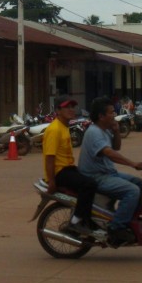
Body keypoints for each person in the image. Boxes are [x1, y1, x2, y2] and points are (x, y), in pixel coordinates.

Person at [79, 96, 142, 245]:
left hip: (108, 173)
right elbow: (109, 153)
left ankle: (127, 219)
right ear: (101, 116)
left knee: (139, 183)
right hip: (96, 176)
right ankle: (116, 228)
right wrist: (133, 164)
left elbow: (116, 147)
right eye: (110, 112)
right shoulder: (94, 132)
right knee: (132, 191)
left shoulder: (104, 130)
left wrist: (116, 131)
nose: (114, 115)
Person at [42, 96, 100, 238]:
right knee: (89, 184)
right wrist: (51, 181)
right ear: (57, 110)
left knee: (94, 180)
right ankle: (76, 221)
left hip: (68, 168)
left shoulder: (64, 126)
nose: (71, 110)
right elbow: (50, 158)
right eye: (67, 107)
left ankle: (87, 219)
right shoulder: (55, 129)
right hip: (60, 173)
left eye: (72, 107)